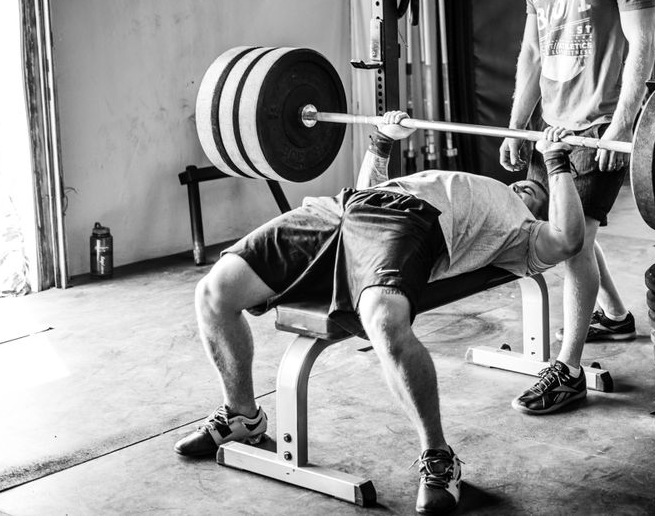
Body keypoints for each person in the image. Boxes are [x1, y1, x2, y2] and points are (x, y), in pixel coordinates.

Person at [174, 112, 584, 515]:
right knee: (214, 292)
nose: (521, 187)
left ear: (541, 208)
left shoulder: (521, 232)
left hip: (408, 223)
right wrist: (382, 141)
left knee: (385, 324)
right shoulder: (451, 181)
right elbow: (371, 185)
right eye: (521, 183)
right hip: (347, 207)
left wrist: (556, 161)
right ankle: (241, 414)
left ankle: (439, 458)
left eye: (533, 191)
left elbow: (568, 239)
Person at [500, 0, 655, 415]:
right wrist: (517, 126)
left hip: (597, 125)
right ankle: (614, 316)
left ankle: (564, 368)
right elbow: (531, 51)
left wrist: (623, 122)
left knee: (574, 241)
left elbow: (643, 44)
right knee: (573, 231)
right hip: (553, 127)